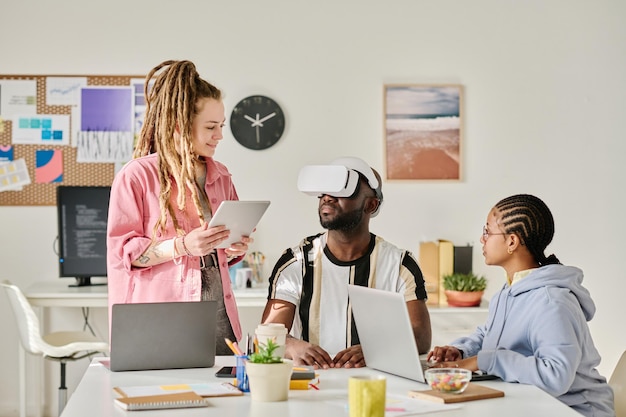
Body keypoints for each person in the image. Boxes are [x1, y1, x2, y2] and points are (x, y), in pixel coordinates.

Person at [107, 60, 252, 355]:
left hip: (219, 314)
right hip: (162, 318)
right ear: (179, 125)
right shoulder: (137, 176)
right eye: (211, 127)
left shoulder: (221, 175)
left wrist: (235, 247)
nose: (219, 135)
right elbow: (125, 255)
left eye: (221, 126)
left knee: (226, 395)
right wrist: (183, 245)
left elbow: (222, 247)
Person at [427, 194, 614, 417]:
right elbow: (490, 334)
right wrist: (461, 350)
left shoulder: (551, 301)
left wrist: (482, 360)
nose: (481, 239)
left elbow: (556, 375)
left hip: (574, 410)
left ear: (512, 242)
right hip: (534, 403)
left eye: (487, 231)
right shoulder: (509, 291)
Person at [261, 156, 432, 369]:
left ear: (371, 204)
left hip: (377, 384)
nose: (327, 198)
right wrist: (292, 345)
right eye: (324, 191)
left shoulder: (400, 264)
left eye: (342, 191)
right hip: (314, 386)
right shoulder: (295, 262)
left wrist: (377, 349)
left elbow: (422, 338)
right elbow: (268, 336)